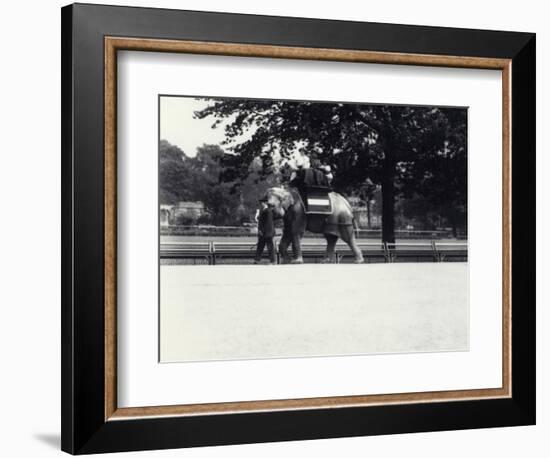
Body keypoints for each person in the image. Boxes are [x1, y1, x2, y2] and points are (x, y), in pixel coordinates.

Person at [254, 198, 276, 264]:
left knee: (270, 247)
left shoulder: (268, 211)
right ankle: (257, 260)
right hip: (264, 232)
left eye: (262, 203)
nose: (261, 204)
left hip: (267, 232)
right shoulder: (264, 210)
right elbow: (261, 221)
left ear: (265, 203)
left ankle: (273, 261)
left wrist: (262, 231)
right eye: (260, 203)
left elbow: (268, 223)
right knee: (260, 246)